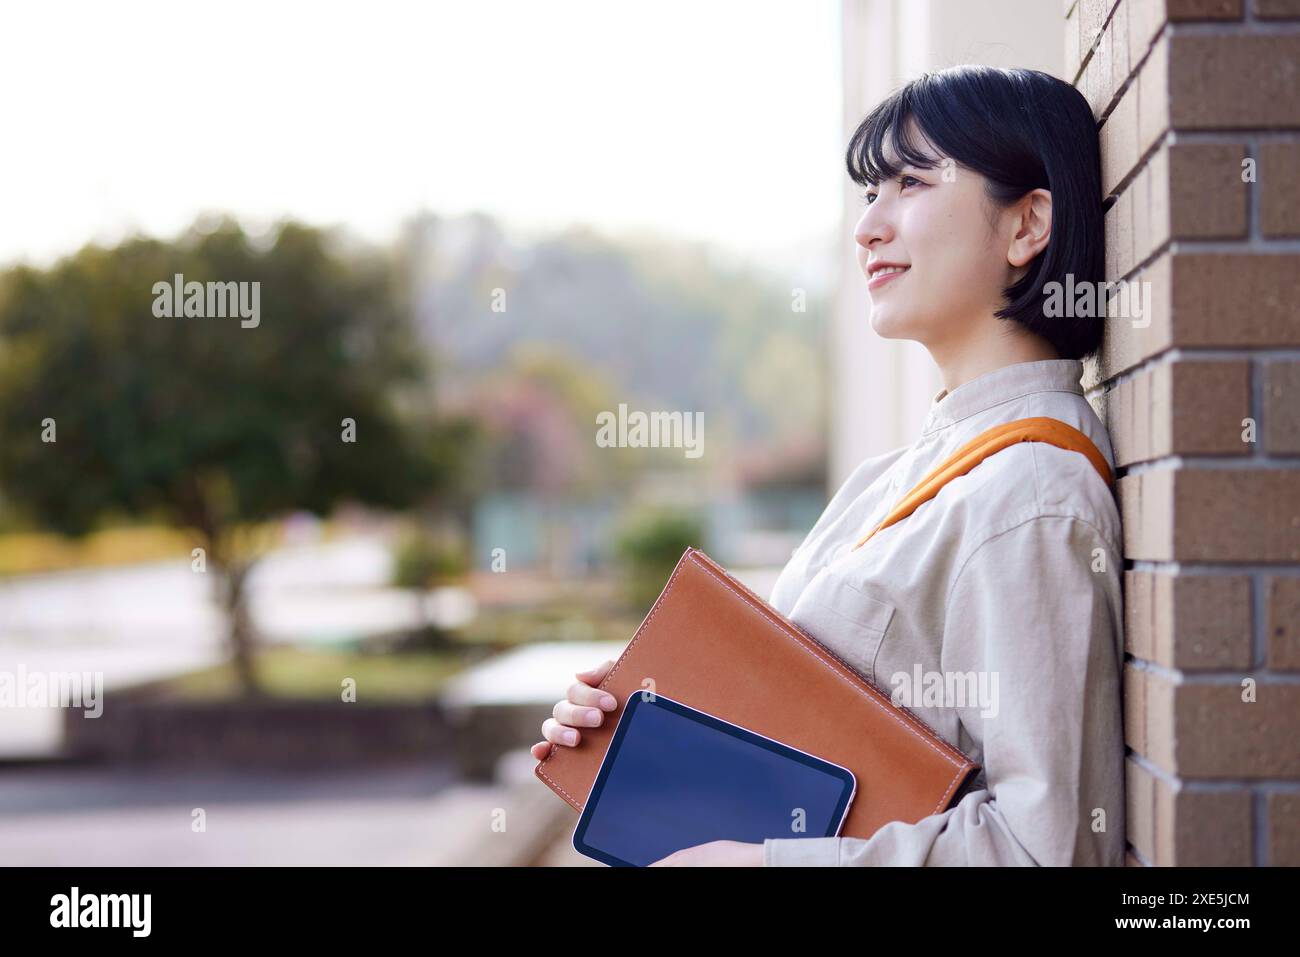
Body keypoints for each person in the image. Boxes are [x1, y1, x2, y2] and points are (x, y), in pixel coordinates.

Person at [532, 65, 1126, 867]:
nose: (869, 226)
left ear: (1028, 226)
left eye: (912, 182)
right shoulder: (893, 479)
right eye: (869, 194)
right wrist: (653, 716)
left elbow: (1045, 852)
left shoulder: (1031, 497)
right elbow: (822, 732)